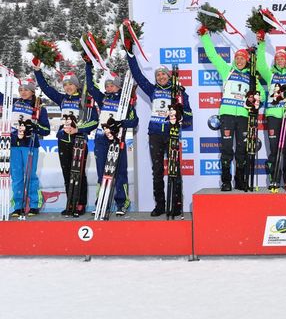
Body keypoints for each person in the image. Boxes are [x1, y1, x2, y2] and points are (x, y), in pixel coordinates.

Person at [198, 25, 265, 191]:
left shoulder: (252, 77)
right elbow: (213, 55)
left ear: (247, 60)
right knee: (227, 150)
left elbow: (262, 94)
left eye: (243, 58)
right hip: (227, 115)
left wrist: (256, 101)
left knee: (241, 150)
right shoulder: (227, 69)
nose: (240, 60)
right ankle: (226, 181)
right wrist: (204, 36)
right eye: (238, 58)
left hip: (243, 116)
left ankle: (240, 180)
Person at [126, 53, 192, 216]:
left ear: (169, 76)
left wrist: (180, 117)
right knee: (157, 171)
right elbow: (138, 76)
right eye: (158, 75)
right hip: (155, 134)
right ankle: (160, 205)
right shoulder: (152, 89)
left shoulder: (178, 92)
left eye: (163, 74)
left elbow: (189, 116)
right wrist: (130, 55)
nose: (161, 76)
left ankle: (176, 205)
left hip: (172, 134)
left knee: (174, 170)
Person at [33, 66, 98, 216]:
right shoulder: (62, 99)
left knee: (79, 173)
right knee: (67, 173)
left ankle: (80, 204)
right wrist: (37, 71)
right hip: (63, 140)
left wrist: (78, 130)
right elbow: (46, 88)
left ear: (77, 85)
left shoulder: (85, 100)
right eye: (65, 85)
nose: (68, 87)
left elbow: (94, 121)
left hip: (79, 140)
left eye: (71, 84)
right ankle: (70, 203)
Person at [85, 62, 138, 216]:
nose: (109, 88)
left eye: (112, 86)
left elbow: (134, 121)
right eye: (107, 86)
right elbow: (90, 87)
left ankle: (122, 202)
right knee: (103, 172)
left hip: (117, 139)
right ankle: (102, 202)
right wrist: (89, 66)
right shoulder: (102, 98)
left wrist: (120, 123)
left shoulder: (125, 102)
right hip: (101, 139)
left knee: (120, 172)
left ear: (119, 87)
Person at [256, 33, 286, 191]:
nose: (280, 60)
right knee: (274, 149)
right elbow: (260, 64)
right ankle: (274, 179)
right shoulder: (270, 75)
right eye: (277, 58)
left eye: (283, 58)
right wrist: (261, 43)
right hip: (273, 116)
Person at [1, 78, 50, 216]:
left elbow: (45, 130)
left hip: (30, 144)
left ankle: (34, 204)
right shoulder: (13, 103)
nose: (23, 92)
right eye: (21, 89)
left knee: (30, 176)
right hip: (14, 144)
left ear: (32, 91)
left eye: (26, 89)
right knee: (16, 177)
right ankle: (18, 206)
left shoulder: (39, 107)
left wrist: (35, 126)